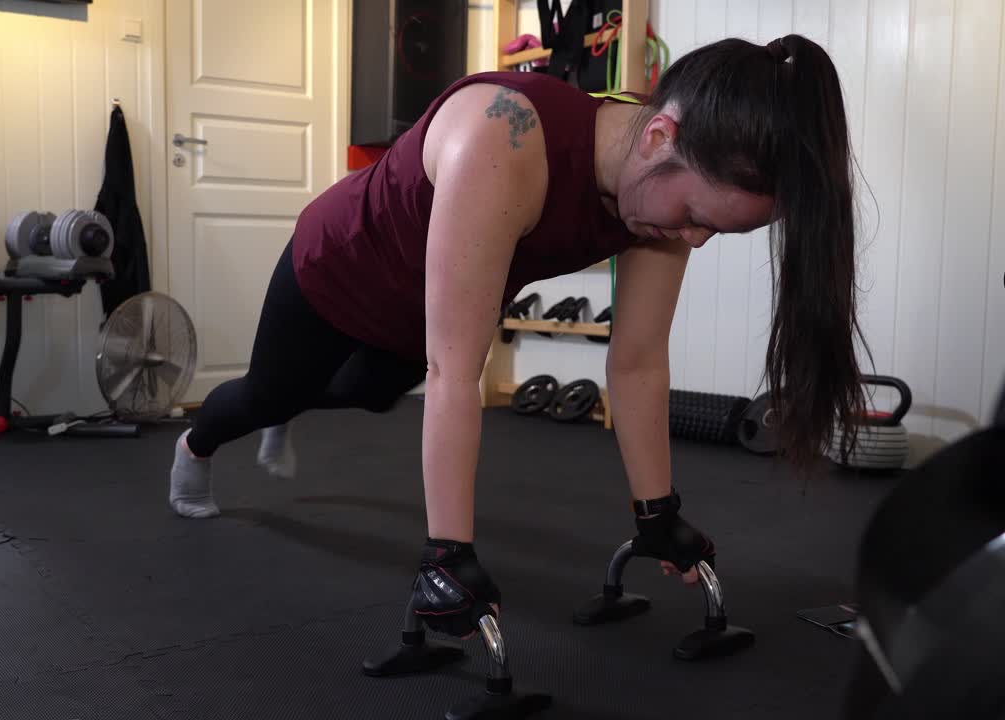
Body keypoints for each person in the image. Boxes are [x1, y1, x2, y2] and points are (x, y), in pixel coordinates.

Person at [168, 35, 869, 639]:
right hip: (340, 265)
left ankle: (300, 401)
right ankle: (197, 445)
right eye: (694, 216)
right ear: (660, 138)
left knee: (372, 391)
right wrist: (448, 554)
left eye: (714, 229)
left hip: (431, 300)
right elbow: (454, 372)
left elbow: (638, 360)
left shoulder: (665, 181)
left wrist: (658, 513)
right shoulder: (502, 140)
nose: (693, 239)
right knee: (269, 392)